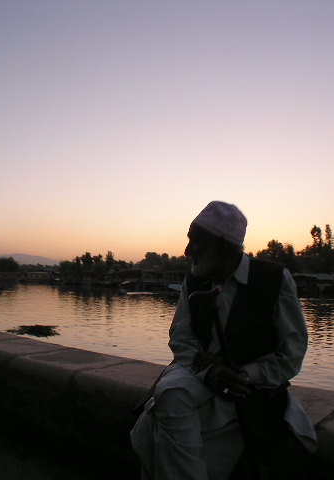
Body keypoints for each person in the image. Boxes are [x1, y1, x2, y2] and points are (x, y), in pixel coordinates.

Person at [130, 201, 317, 480]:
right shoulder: (194, 278)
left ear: (223, 247)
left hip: (248, 384)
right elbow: (181, 338)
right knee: (171, 393)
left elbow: (291, 354)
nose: (187, 251)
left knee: (167, 420)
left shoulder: (273, 279)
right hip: (199, 371)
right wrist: (210, 373)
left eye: (197, 243)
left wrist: (243, 375)